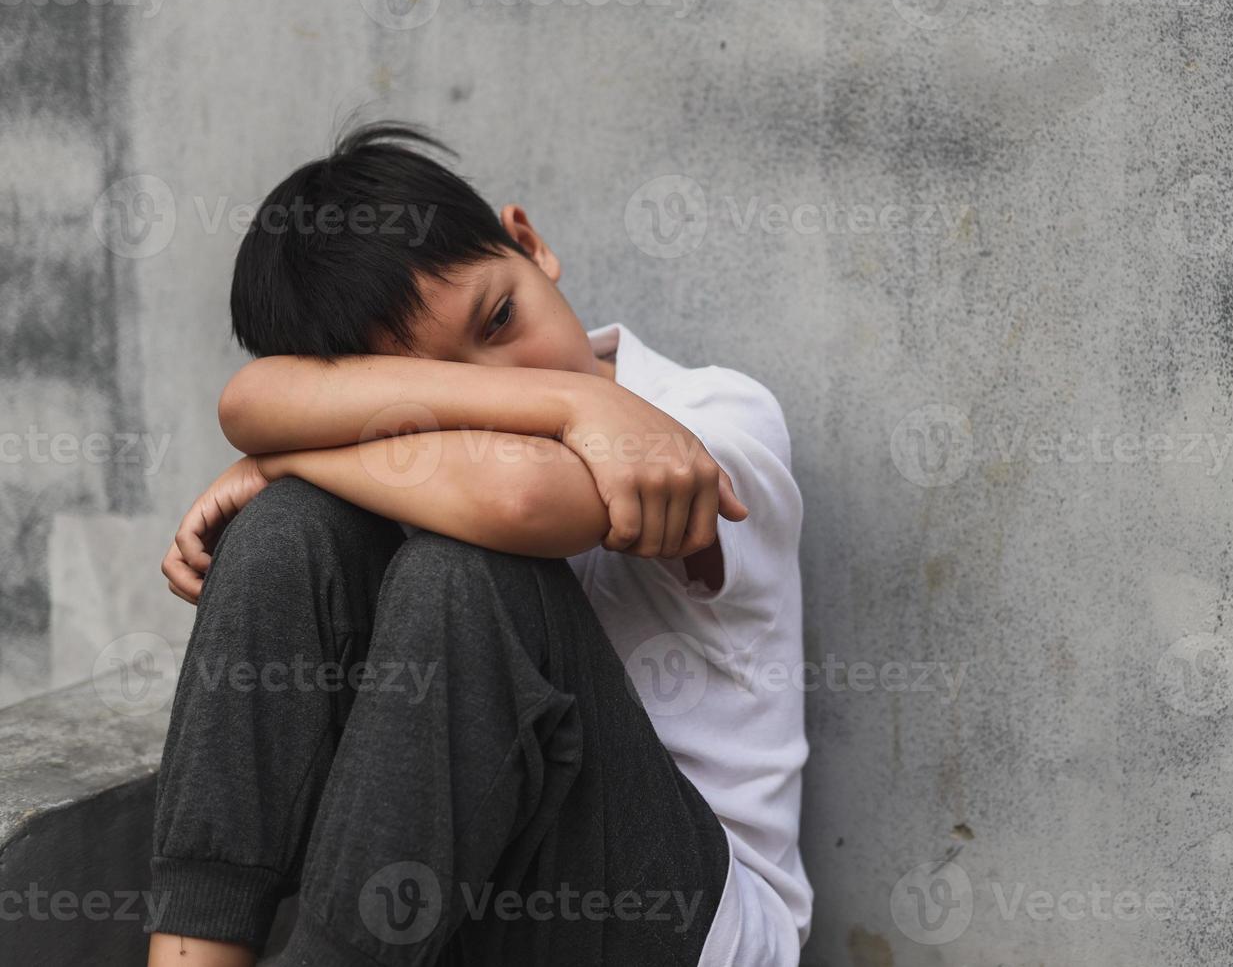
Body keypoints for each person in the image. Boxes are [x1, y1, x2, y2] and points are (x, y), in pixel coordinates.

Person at [147, 124, 810, 967]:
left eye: (500, 318)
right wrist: (559, 407)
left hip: (690, 924)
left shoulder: (713, 417)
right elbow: (249, 397)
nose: (506, 389)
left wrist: (288, 453)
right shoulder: (431, 454)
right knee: (287, 529)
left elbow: (521, 496)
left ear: (530, 244)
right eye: (440, 387)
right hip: (492, 894)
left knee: (468, 570)